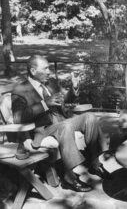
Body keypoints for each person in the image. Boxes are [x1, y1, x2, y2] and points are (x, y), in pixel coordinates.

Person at [11, 55, 110, 192]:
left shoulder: (50, 83)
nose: (49, 71)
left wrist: (73, 89)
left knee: (90, 117)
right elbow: (19, 118)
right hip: (42, 129)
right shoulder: (20, 91)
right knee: (66, 127)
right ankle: (69, 178)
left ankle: (94, 163)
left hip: (61, 120)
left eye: (49, 68)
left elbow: (62, 101)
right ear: (33, 71)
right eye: (45, 68)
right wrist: (44, 104)